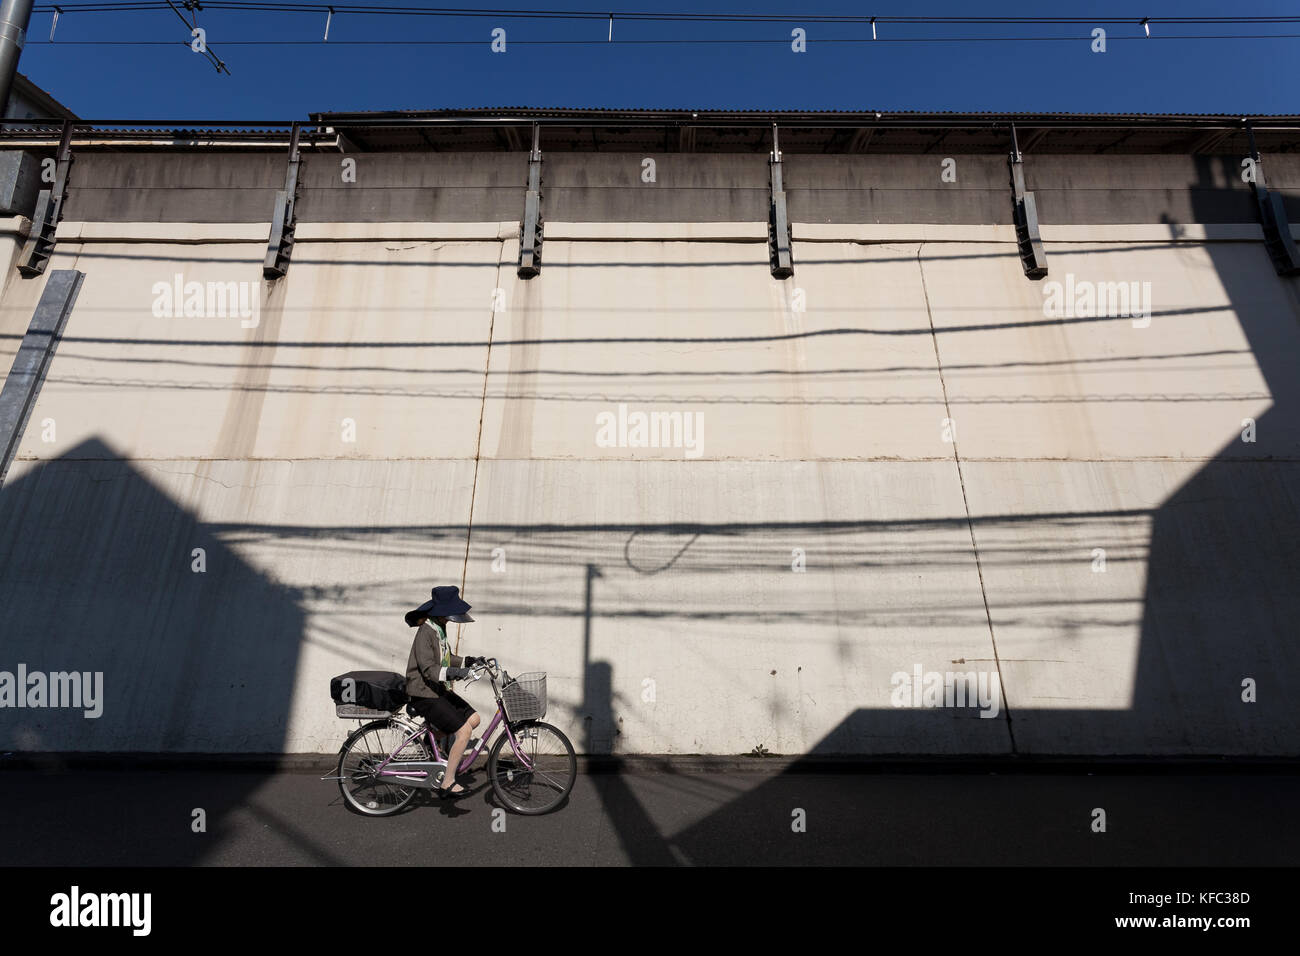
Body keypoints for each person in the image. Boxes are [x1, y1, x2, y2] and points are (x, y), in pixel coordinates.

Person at [404, 585, 486, 797]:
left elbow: (446, 657)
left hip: (435, 689)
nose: (451, 617)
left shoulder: (438, 629)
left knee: (474, 719)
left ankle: (431, 738)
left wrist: (469, 661)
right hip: (423, 692)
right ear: (441, 611)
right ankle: (447, 781)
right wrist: (457, 673)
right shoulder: (426, 632)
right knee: (464, 732)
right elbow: (430, 669)